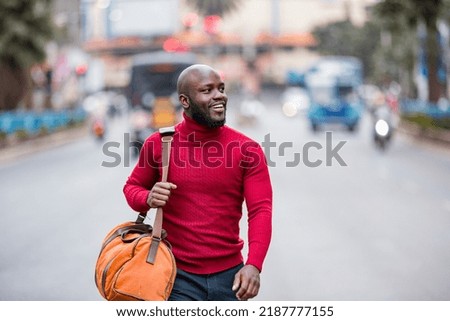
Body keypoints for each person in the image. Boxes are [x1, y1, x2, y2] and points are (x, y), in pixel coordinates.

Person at [123, 64, 272, 301]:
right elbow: (131, 189)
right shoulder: (158, 144)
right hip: (175, 276)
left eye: (221, 88)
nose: (219, 95)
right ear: (185, 100)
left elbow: (260, 210)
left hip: (231, 278)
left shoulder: (248, 150)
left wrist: (254, 264)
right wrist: (148, 198)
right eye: (207, 90)